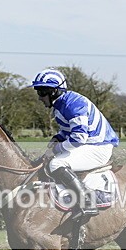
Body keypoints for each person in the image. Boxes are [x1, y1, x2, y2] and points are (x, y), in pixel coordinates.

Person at [29, 68, 119, 219]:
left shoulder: (73, 104)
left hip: (98, 147)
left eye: (41, 92)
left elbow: (78, 138)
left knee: (56, 164)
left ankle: (87, 202)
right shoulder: (60, 106)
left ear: (54, 92)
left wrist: (56, 149)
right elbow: (68, 131)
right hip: (88, 144)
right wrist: (58, 137)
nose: (39, 97)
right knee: (50, 161)